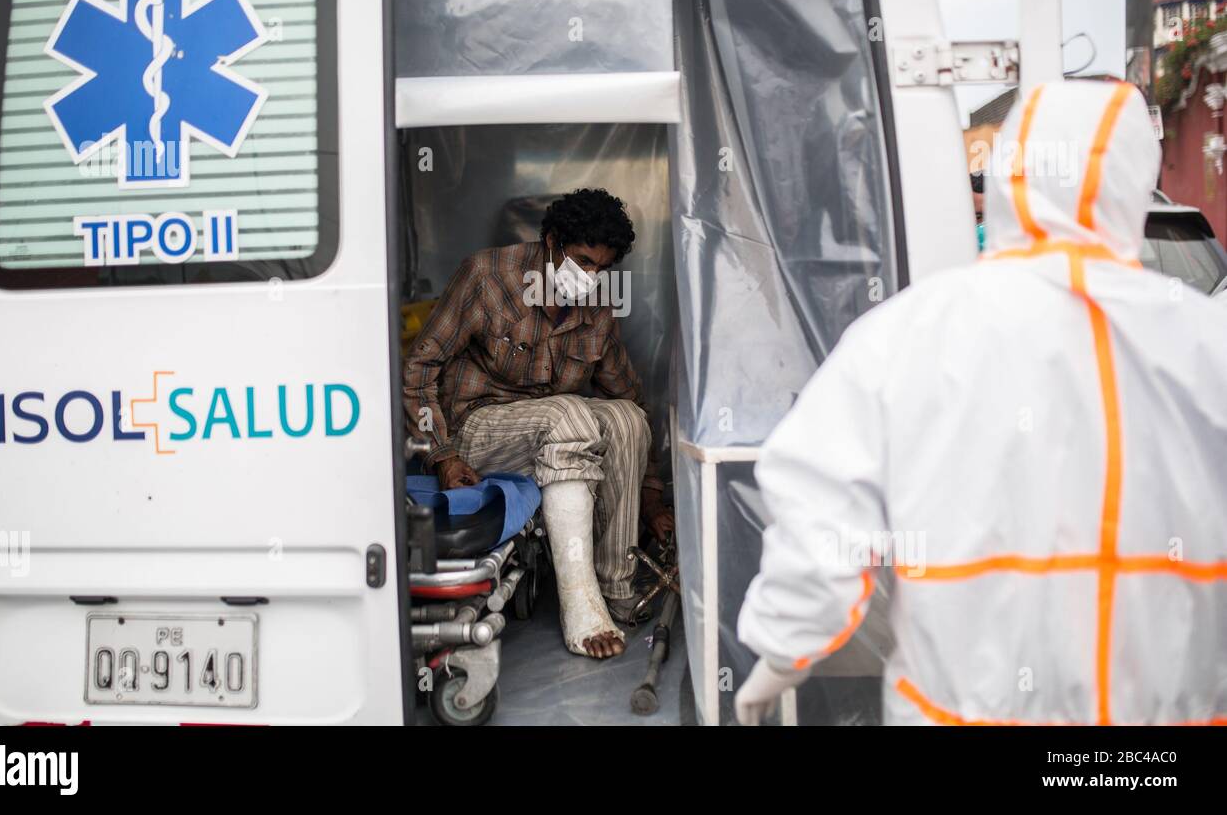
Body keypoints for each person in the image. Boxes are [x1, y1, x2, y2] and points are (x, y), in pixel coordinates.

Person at [735, 80, 1227, 725]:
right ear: (1138, 180)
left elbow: (820, 521)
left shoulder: (908, 334)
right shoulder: (1204, 340)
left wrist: (782, 654)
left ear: (1005, 172)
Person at [404, 189, 672, 659]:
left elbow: (626, 392)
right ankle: (580, 604)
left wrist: (651, 496)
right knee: (569, 412)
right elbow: (419, 367)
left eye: (602, 269)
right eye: (583, 261)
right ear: (551, 243)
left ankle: (615, 585)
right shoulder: (487, 276)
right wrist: (442, 456)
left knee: (627, 418)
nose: (590, 277)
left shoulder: (597, 305)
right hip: (476, 428)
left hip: (557, 437)